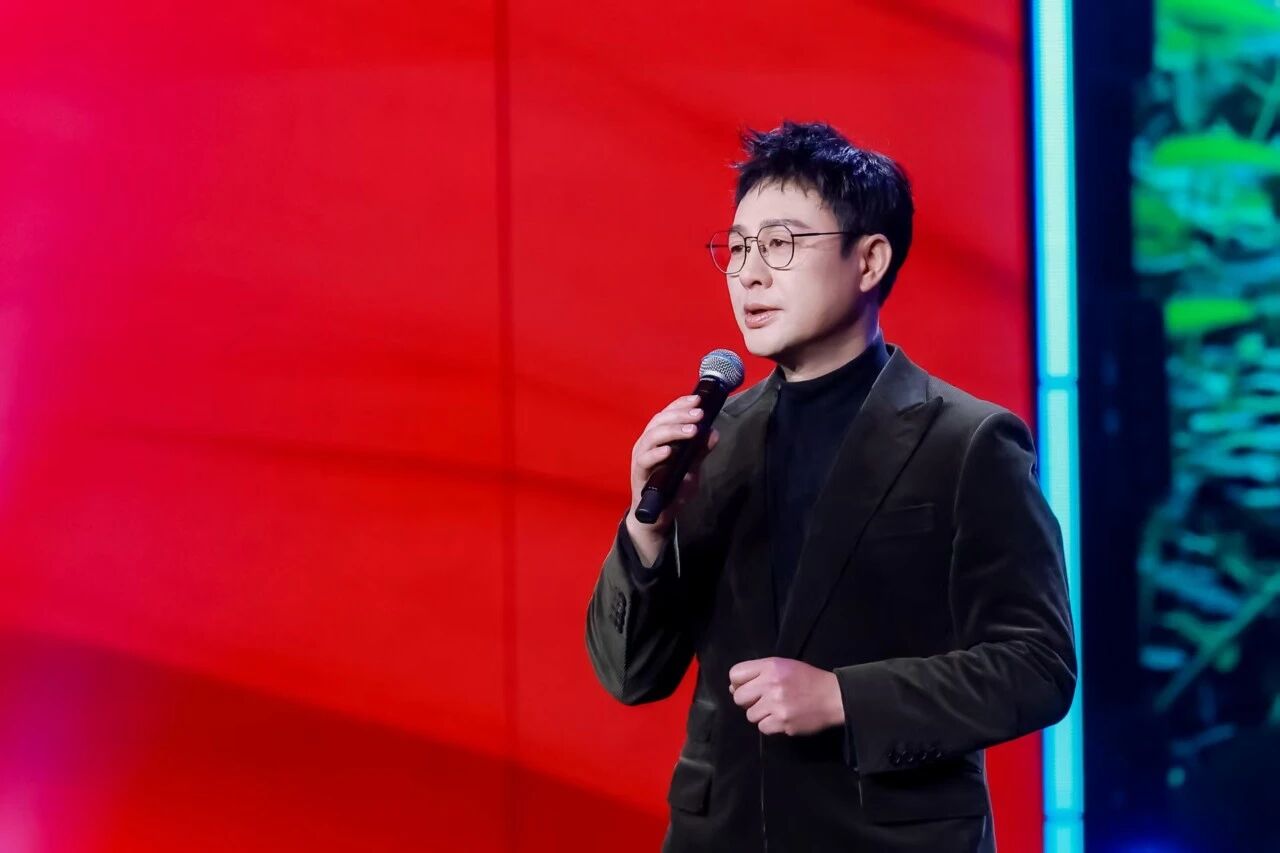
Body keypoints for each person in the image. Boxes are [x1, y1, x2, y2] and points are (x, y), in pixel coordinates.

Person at [584, 120, 1076, 853]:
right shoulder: (714, 441)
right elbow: (631, 675)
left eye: (780, 244)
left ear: (869, 259)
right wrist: (646, 530)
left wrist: (844, 696)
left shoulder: (968, 441)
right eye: (738, 248)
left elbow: (1037, 666)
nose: (750, 274)